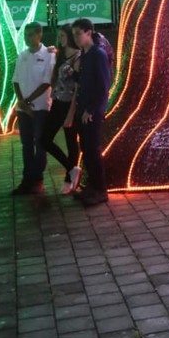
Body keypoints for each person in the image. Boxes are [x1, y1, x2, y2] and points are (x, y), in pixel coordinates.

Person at [72, 18, 112, 205]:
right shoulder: (85, 55)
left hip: (91, 112)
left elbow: (103, 86)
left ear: (89, 33)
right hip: (83, 110)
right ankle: (92, 187)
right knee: (86, 151)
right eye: (74, 34)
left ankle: (100, 190)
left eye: (79, 33)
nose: (76, 38)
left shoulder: (98, 54)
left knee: (93, 151)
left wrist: (92, 109)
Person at [12, 22, 55, 194]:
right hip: (23, 108)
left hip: (40, 108)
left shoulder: (49, 55)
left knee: (40, 143)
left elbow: (47, 82)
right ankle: (27, 179)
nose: (28, 38)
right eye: (26, 35)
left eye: (31, 34)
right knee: (26, 144)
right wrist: (22, 101)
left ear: (39, 35)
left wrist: (28, 100)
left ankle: (37, 179)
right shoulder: (22, 55)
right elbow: (15, 80)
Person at [43, 24, 81, 194]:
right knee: (44, 139)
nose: (61, 39)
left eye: (64, 36)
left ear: (71, 37)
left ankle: (69, 179)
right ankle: (72, 169)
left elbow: (78, 88)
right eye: (59, 36)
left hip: (69, 104)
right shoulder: (59, 55)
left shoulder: (78, 57)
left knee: (71, 141)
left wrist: (71, 112)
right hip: (57, 101)